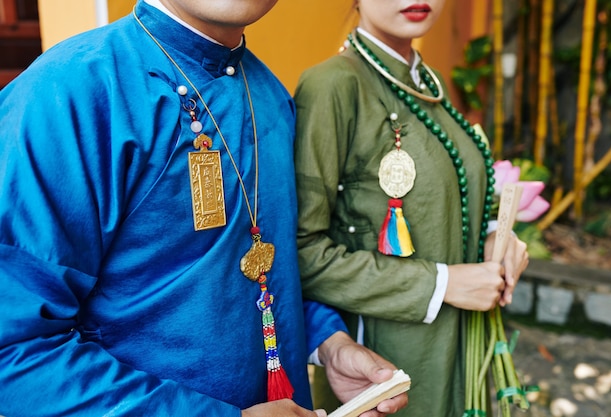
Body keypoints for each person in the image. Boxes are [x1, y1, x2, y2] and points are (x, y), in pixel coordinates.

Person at [0, 1, 409, 416]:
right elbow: (13, 355)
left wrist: (329, 343)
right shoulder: (71, 91)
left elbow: (263, 266)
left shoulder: (268, 94)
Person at [293, 1, 530, 416]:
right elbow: (303, 254)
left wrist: (495, 235)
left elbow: (449, 200)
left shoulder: (428, 83)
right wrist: (440, 284)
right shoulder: (332, 86)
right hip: (385, 365)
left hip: (463, 351)